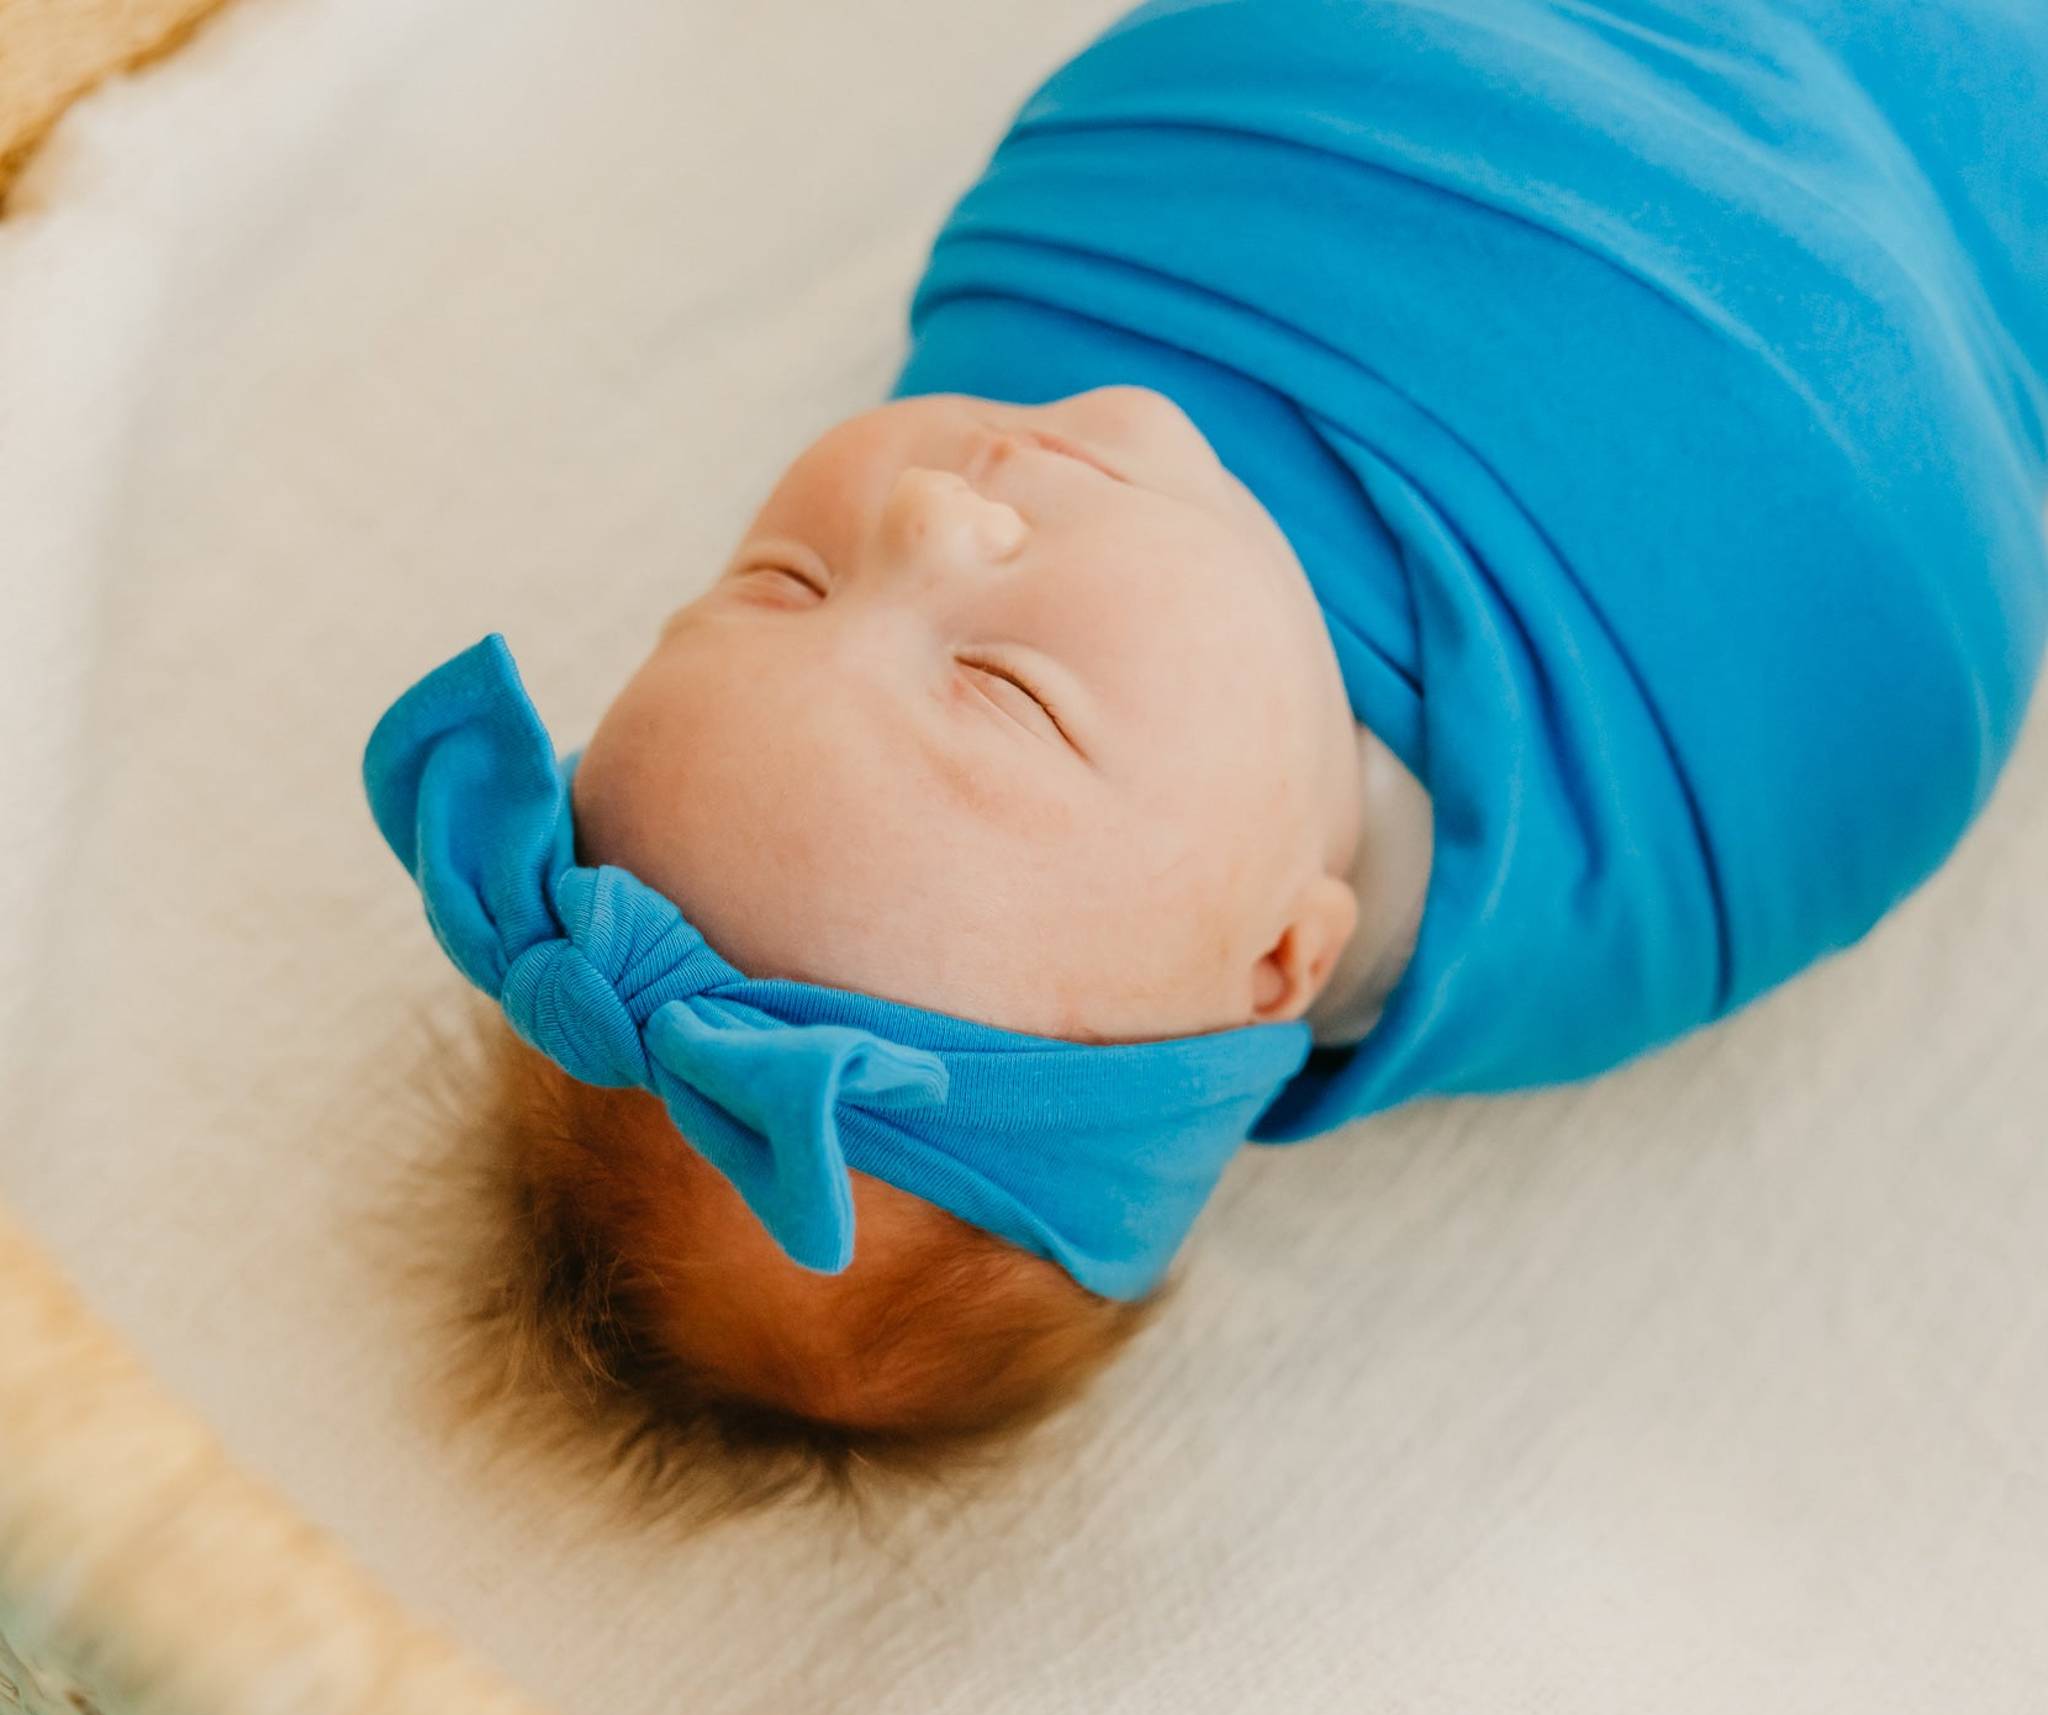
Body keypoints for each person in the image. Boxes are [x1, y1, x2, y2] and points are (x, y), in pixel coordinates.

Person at [362, 0, 2048, 1511]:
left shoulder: (1047, 323)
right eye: (1009, 690)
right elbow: (1926, 561)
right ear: (1276, 959)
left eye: (779, 581)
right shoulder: (1645, 860)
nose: (928, 510)